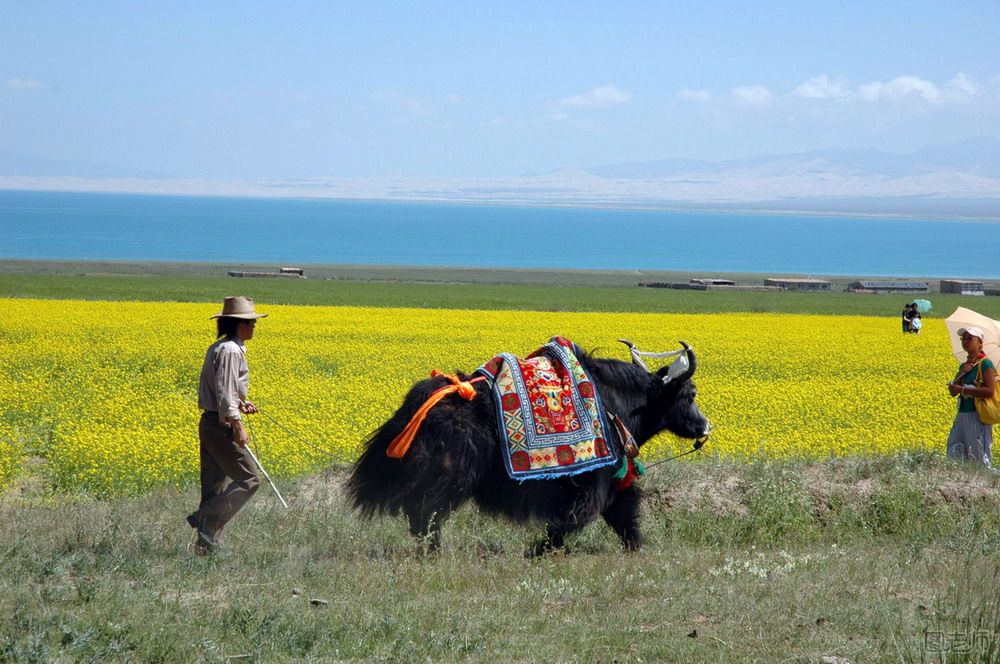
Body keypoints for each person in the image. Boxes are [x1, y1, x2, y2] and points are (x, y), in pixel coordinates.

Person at [187, 296, 267, 553]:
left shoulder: (219, 347)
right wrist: (237, 423)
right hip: (221, 426)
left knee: (213, 486)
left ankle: (205, 549)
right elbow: (223, 392)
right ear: (239, 324)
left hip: (210, 421)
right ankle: (204, 519)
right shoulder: (232, 350)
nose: (254, 326)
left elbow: (224, 390)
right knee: (250, 479)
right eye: (251, 322)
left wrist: (241, 402)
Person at [946, 326, 995, 469]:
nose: (965, 341)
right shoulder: (965, 365)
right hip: (962, 413)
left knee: (979, 454)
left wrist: (963, 389)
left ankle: (985, 485)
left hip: (977, 415)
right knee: (954, 448)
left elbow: (990, 390)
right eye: (963, 338)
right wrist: (962, 372)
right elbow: (953, 391)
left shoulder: (985, 364)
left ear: (980, 343)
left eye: (970, 338)